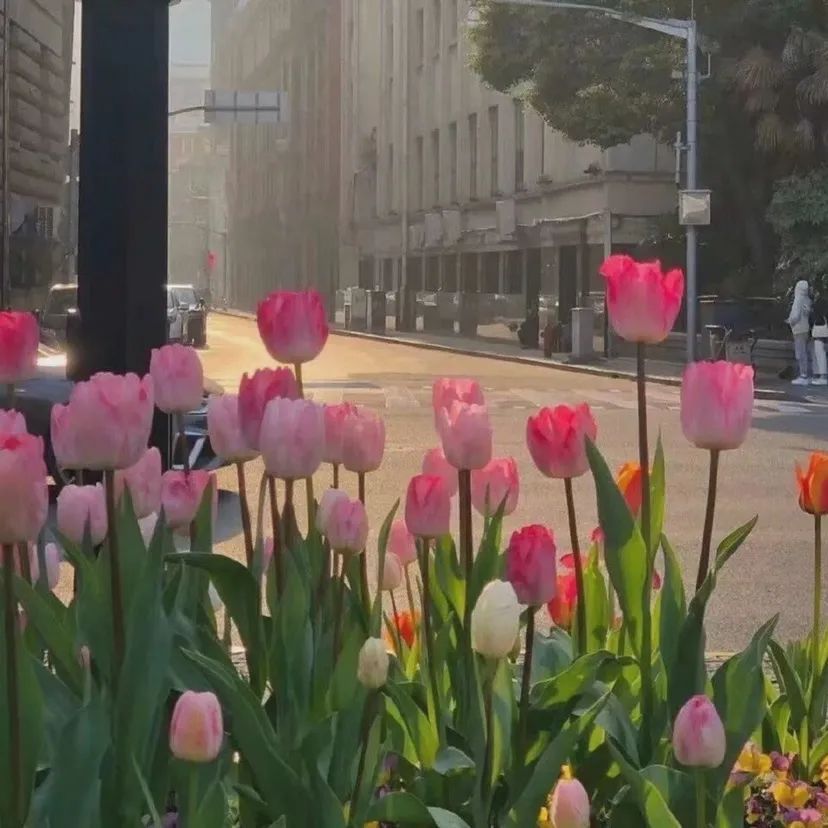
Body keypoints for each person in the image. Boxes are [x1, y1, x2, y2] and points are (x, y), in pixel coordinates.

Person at [786, 279, 812, 385]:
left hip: (798, 329)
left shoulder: (798, 299)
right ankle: (806, 374)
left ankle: (803, 375)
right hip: (805, 328)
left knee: (800, 352)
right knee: (805, 352)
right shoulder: (807, 299)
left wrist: (790, 321)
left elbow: (795, 316)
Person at [811, 289, 828, 386]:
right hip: (822, 329)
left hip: (819, 330)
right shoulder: (823, 302)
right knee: (821, 355)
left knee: (820, 355)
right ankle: (823, 376)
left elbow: (818, 317)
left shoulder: (819, 303)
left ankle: (823, 376)